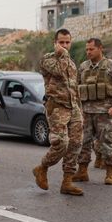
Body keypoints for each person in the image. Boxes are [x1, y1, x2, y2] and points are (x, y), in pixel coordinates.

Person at [32, 29, 84, 196]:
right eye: (61, 42)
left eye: (67, 42)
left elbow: (74, 88)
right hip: (57, 107)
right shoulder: (48, 60)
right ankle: (42, 167)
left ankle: (67, 182)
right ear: (55, 43)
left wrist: (79, 109)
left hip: (74, 107)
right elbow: (60, 71)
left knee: (76, 144)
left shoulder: (71, 63)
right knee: (61, 143)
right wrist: (63, 54)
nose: (65, 45)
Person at [71, 38, 112, 185]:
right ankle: (82, 171)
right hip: (86, 112)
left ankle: (110, 172)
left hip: (105, 112)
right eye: (87, 49)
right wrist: (78, 109)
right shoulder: (83, 67)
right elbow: (76, 88)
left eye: (91, 49)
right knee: (83, 142)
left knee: (107, 142)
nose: (88, 52)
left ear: (100, 48)